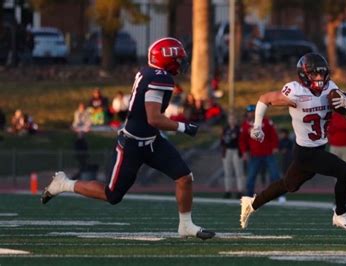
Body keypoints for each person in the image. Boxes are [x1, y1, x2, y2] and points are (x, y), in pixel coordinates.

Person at [41, 37, 215, 240]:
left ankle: (185, 225)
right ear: (166, 59)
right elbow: (154, 118)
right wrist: (186, 127)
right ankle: (63, 183)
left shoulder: (149, 72)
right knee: (112, 195)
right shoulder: (161, 79)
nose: (181, 63)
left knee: (184, 178)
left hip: (152, 141)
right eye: (178, 59)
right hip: (131, 144)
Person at [240, 53, 346, 231]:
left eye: (322, 73)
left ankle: (251, 203)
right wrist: (257, 126)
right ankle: (340, 214)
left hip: (317, 147)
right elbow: (264, 99)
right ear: (304, 74)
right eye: (315, 74)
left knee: (288, 185)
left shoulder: (331, 89)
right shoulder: (296, 91)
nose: (320, 77)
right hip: (306, 151)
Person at [239, 104, 282, 201]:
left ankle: (278, 195)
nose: (252, 114)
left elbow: (273, 135)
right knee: (251, 176)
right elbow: (242, 140)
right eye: (250, 112)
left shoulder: (266, 122)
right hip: (255, 155)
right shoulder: (245, 125)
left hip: (268, 153)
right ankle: (249, 197)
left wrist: (275, 147)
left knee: (275, 175)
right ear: (247, 114)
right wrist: (244, 151)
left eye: (253, 112)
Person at [221, 113, 245, 198]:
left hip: (236, 151)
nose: (232, 121)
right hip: (227, 151)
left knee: (239, 172)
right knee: (228, 172)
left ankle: (240, 191)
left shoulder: (239, 129)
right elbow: (222, 141)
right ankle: (228, 191)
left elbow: (242, 140)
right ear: (228, 120)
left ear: (236, 120)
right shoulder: (225, 129)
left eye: (233, 119)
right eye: (230, 119)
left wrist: (242, 152)